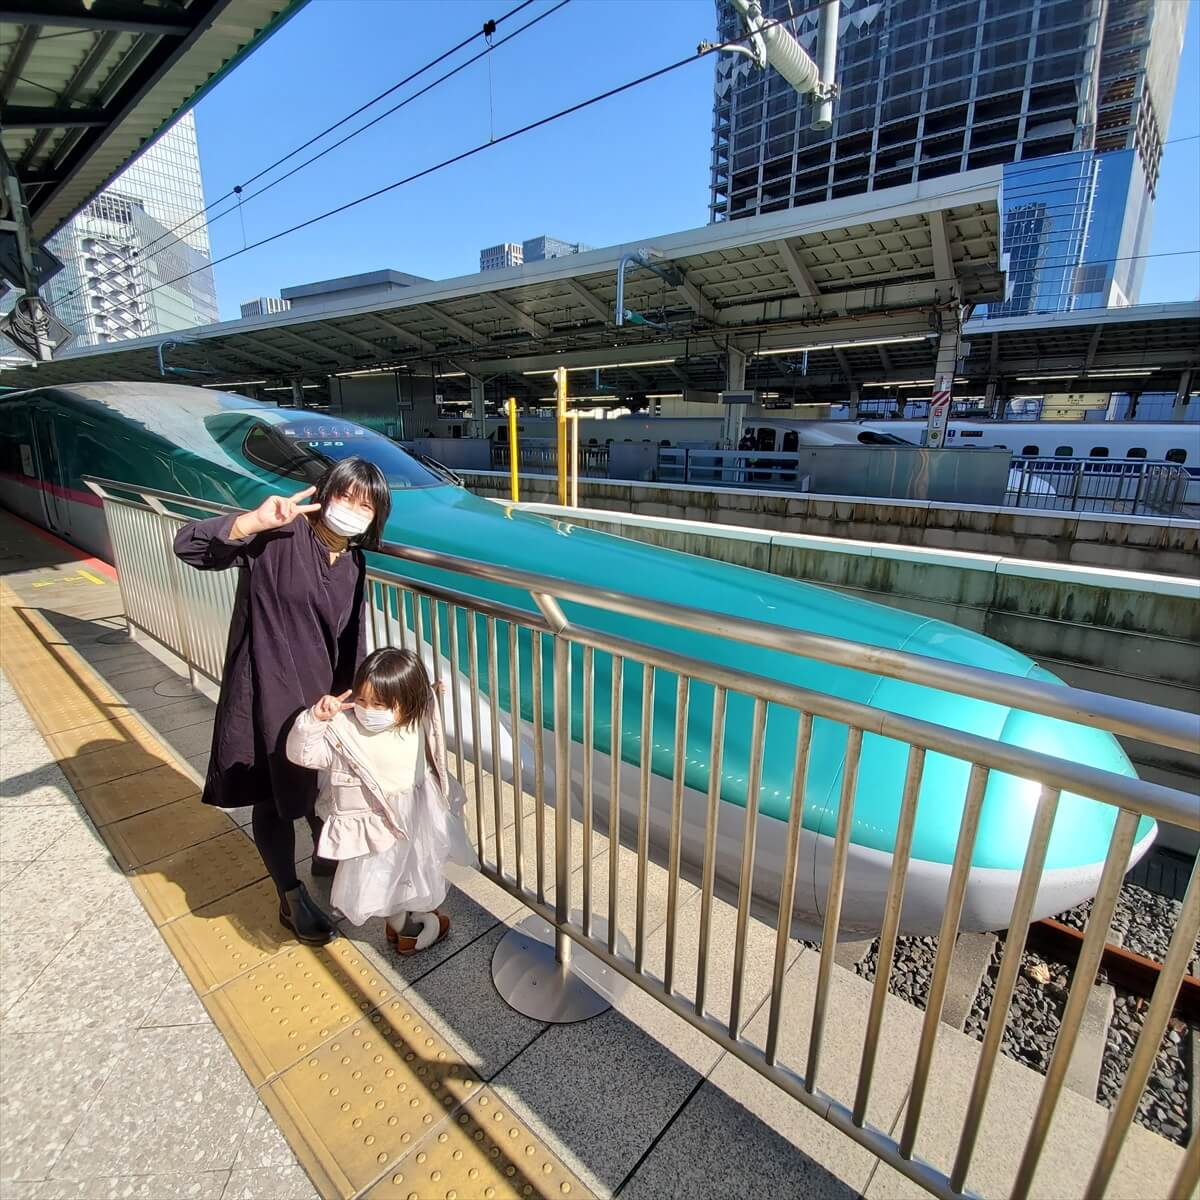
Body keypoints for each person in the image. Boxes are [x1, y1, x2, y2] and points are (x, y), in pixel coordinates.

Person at [173, 457, 390, 946]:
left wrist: (352, 700)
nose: (353, 511)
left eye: (366, 505)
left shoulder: (354, 562)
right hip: (265, 692)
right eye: (346, 497)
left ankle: (322, 854)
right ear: (324, 494)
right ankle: (289, 897)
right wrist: (251, 521)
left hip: (318, 703)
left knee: (318, 786)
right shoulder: (280, 537)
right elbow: (188, 546)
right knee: (274, 797)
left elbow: (350, 640)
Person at [286, 648, 469, 953]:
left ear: (407, 703)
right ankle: (406, 931)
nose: (367, 710)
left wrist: (434, 691)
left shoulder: (413, 716)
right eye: (361, 700)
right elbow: (301, 753)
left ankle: (409, 916)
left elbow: (424, 703)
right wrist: (314, 721)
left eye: (379, 704)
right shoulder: (344, 732)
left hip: (418, 815)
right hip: (376, 823)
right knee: (384, 878)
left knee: (414, 868)